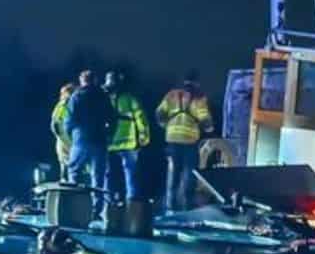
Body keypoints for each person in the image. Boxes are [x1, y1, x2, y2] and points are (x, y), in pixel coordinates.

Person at [155, 72, 214, 211]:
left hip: (172, 141)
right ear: (196, 82)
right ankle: (187, 206)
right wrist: (209, 128)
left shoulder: (172, 95)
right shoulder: (199, 98)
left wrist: (166, 126)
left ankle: (170, 207)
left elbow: (159, 113)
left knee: (173, 174)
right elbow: (205, 120)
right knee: (189, 173)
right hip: (189, 142)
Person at [104, 70, 151, 205]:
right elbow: (141, 118)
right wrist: (144, 137)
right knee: (130, 174)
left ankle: (109, 201)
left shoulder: (103, 99)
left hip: (109, 143)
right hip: (128, 143)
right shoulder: (130, 99)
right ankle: (132, 202)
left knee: (108, 174)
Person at [62, 70, 114, 189]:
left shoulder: (76, 96)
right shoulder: (103, 96)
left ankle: (75, 203)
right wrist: (109, 134)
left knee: (74, 172)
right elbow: (112, 117)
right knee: (98, 176)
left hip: (80, 139)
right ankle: (98, 207)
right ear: (94, 80)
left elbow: (69, 120)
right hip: (99, 140)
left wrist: (72, 135)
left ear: (82, 80)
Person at [49, 83, 75, 179]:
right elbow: (55, 123)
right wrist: (61, 136)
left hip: (72, 138)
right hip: (64, 139)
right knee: (64, 162)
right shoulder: (62, 105)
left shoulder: (75, 104)